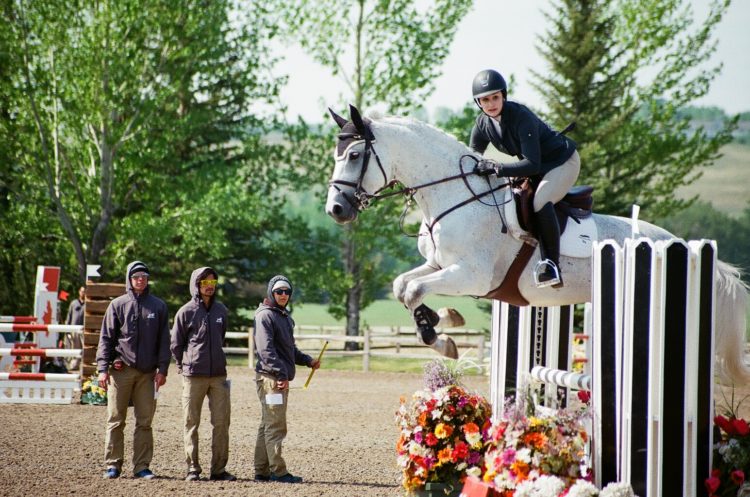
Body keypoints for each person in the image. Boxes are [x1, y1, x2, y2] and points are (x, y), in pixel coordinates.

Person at [470, 69, 580, 288]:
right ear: (478, 102)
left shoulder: (521, 117)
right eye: (485, 99)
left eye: (495, 97)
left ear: (504, 96)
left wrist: (497, 168)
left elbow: (532, 164)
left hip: (562, 163)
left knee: (540, 200)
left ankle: (551, 266)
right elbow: (471, 158)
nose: (491, 104)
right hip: (538, 168)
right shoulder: (483, 124)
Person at [96, 261, 170, 480]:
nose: (141, 280)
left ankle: (142, 466)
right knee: (116, 419)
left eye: (144, 276)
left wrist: (163, 369)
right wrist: (102, 368)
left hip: (148, 374)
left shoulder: (158, 306)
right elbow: (106, 338)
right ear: (129, 279)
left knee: (145, 422)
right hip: (121, 372)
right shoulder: (117, 305)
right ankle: (113, 465)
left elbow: (164, 340)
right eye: (136, 276)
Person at [253, 275, 321, 484]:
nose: (283, 295)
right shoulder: (265, 316)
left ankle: (261, 471)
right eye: (279, 291)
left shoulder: (283, 316)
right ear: (271, 293)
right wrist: (281, 375)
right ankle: (278, 472)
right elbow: (266, 351)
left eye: (287, 292)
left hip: (276, 377)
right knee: (276, 426)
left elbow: (288, 350)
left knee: (267, 425)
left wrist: (308, 361)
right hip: (272, 380)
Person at [171, 267, 236, 482]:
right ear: (196, 284)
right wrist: (184, 366)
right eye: (205, 282)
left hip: (218, 376)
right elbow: (176, 344)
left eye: (213, 282)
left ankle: (218, 470)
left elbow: (221, 337)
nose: (209, 286)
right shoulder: (185, 312)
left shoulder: (221, 311)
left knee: (221, 423)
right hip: (193, 375)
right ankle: (193, 469)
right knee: (191, 423)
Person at [64, 286, 85, 370]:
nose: (83, 293)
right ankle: (73, 366)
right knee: (74, 348)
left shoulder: (88, 304)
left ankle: (82, 367)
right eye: (82, 291)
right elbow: (69, 316)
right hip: (74, 330)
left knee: (83, 349)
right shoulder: (73, 303)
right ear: (79, 292)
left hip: (84, 331)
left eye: (85, 291)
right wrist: (67, 330)